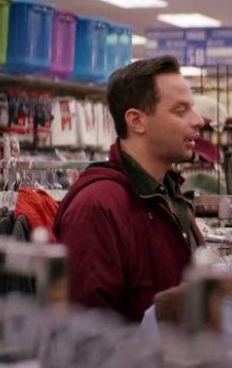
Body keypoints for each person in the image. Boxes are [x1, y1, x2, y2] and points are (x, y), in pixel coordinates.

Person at [55, 55, 206, 322]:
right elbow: (85, 330)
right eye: (180, 110)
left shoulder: (169, 194)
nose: (198, 121)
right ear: (136, 121)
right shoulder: (98, 206)